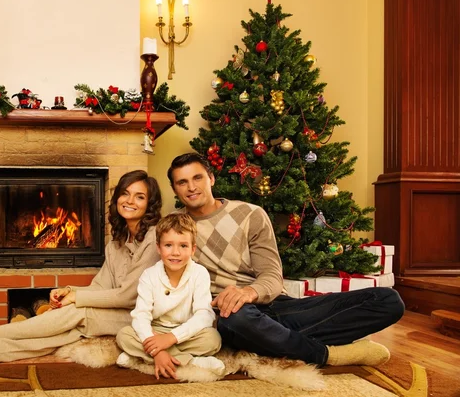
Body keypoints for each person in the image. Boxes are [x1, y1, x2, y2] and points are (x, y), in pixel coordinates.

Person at [166, 153, 405, 367]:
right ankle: (326, 355)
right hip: (234, 317)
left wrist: (249, 292)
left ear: (211, 179)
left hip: (275, 306)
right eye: (182, 182)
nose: (191, 187)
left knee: (387, 300)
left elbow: (272, 278)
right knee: (235, 320)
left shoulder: (250, 214)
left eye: (197, 178)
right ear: (175, 189)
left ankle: (274, 341)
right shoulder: (172, 228)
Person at [0, 170, 162, 364]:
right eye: (125, 193)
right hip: (119, 311)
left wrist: (76, 298)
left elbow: (128, 297)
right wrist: (69, 290)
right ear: (117, 198)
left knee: (78, 313)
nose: (130, 200)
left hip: (140, 318)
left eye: (139, 197)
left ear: (149, 204)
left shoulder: (153, 240)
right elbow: (101, 285)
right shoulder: (116, 243)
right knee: (72, 328)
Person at [115, 213, 224, 380]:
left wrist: (172, 338)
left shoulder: (199, 273)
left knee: (213, 340)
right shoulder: (149, 275)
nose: (175, 253)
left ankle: (142, 358)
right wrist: (158, 348)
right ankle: (190, 361)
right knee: (124, 335)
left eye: (183, 246)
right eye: (168, 245)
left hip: (186, 332)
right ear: (158, 248)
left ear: (193, 249)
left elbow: (204, 315)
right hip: (156, 330)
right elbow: (141, 315)